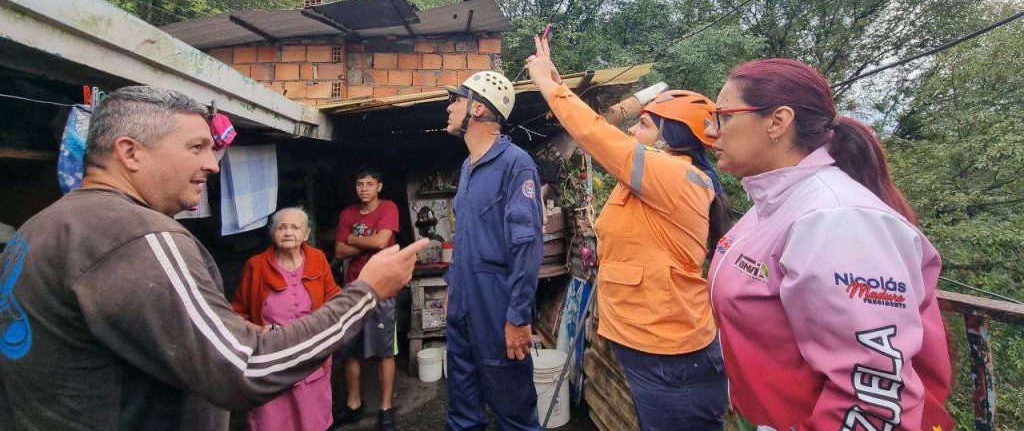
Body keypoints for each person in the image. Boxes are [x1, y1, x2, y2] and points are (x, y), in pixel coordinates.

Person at [0, 85, 426, 431]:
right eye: (196, 148)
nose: (213, 165)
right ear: (130, 153)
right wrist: (367, 291)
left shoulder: (41, 226)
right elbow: (248, 368)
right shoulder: (141, 237)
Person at [704, 59, 953, 431]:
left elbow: (873, 393)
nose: (711, 130)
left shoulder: (837, 219)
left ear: (777, 121)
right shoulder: (772, 204)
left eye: (723, 115)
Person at [526, 37, 729, 430]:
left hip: (668, 352)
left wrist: (548, 86)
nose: (634, 129)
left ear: (674, 137)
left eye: (646, 124)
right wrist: (557, 82)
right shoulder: (651, 180)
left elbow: (595, 133)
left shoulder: (673, 175)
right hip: (651, 345)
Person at [442, 70, 544, 431]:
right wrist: (452, 287)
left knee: (513, 413)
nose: (450, 107)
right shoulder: (468, 168)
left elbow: (526, 247)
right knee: (462, 410)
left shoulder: (516, 165)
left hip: (496, 306)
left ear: (479, 109)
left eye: (457, 99)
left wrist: (518, 316)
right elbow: (468, 237)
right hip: (463, 307)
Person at [231, 207, 339, 431]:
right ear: (273, 234)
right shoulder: (256, 265)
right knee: (272, 420)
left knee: (313, 418)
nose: (288, 232)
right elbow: (236, 314)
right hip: (271, 358)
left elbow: (334, 299)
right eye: (282, 227)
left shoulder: (317, 259)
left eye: (295, 227)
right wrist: (259, 331)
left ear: (306, 234)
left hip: (311, 355)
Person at [331, 168, 401, 431]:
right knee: (349, 349)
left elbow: (383, 242)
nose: (364, 189)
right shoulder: (347, 213)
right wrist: (365, 241)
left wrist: (352, 238)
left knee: (385, 350)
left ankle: (386, 408)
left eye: (369, 184)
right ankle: (353, 404)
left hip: (383, 287)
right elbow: (339, 250)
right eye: (359, 184)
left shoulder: (388, 208)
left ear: (379, 187)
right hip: (354, 288)